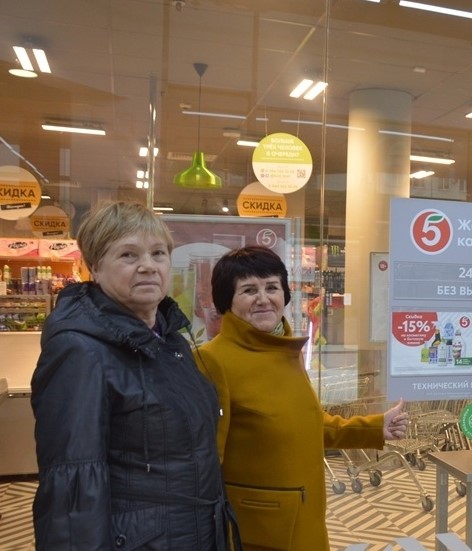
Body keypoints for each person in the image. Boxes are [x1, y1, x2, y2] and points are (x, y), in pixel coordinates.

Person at [31, 201, 239, 550]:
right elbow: (71, 485)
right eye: (128, 255)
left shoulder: (171, 341)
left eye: (158, 253)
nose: (148, 266)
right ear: (95, 267)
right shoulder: (79, 351)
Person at [193, 245, 409, 551]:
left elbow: (308, 424)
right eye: (249, 290)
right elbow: (204, 463)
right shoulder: (212, 360)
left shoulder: (285, 350)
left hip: (304, 520)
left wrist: (374, 427)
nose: (263, 298)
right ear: (226, 300)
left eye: (272, 287)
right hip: (258, 533)